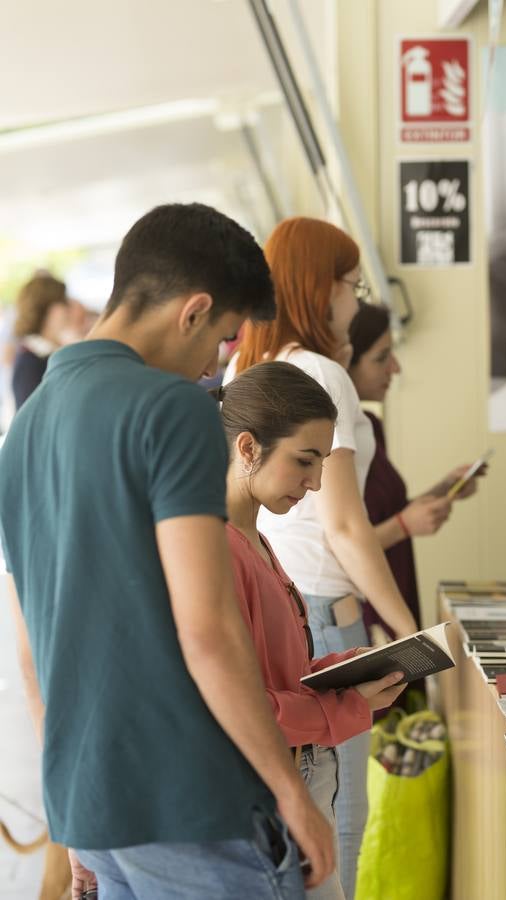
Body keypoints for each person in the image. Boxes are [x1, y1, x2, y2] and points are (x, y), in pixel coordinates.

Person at [0, 203, 336, 900]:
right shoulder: (171, 408)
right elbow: (207, 629)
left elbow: (32, 649)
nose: (213, 366)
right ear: (194, 310)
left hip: (95, 805)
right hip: (191, 801)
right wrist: (290, 792)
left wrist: (71, 817)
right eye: (221, 338)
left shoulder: (25, 428)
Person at [225, 216, 417, 899]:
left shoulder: (246, 373)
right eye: (350, 284)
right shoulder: (322, 377)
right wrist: (404, 637)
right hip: (323, 619)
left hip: (305, 626)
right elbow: (342, 524)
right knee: (340, 824)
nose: (354, 301)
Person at [348, 300, 481, 655]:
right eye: (381, 358)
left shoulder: (371, 427)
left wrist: (444, 488)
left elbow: (385, 510)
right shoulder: (336, 443)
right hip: (368, 603)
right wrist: (405, 526)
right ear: (346, 362)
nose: (395, 367)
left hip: (397, 583)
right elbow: (343, 541)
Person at [11, 273, 70, 409]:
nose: (68, 309)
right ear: (50, 309)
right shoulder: (30, 362)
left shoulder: (47, 353)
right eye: (64, 302)